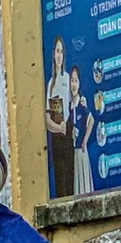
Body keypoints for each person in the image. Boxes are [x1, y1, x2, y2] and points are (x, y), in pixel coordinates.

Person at [46, 35, 74, 197]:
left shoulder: (68, 78)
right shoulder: (51, 84)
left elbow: (74, 102)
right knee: (59, 178)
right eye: (57, 51)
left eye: (61, 52)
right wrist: (58, 128)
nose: (59, 55)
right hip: (57, 135)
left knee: (69, 176)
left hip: (68, 131)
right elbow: (47, 120)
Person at [69, 65, 94, 194]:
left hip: (81, 150)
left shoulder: (81, 104)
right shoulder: (69, 106)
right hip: (73, 151)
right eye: (71, 81)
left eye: (76, 81)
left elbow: (91, 120)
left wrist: (85, 140)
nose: (73, 84)